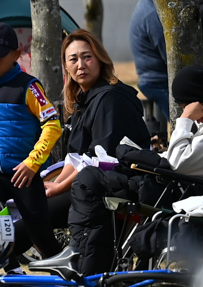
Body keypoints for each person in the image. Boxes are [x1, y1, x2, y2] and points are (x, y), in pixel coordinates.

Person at [53, 64, 203, 276]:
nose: (187, 111)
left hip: (183, 193)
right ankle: (84, 259)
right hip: (182, 187)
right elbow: (183, 160)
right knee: (93, 178)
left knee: (89, 181)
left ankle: (83, 264)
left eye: (185, 105)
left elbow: (177, 163)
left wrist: (184, 121)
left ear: (199, 100)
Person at [0, 20, 61, 259]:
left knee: (41, 236)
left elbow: (53, 125)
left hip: (23, 173)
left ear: (16, 55)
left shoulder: (29, 87)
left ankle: (67, 273)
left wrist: (33, 162)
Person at [39, 29, 149, 226]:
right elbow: (76, 157)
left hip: (109, 191)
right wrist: (55, 184)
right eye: (73, 59)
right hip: (85, 184)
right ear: (66, 66)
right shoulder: (84, 100)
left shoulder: (110, 99)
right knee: (28, 209)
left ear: (100, 60)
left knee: (32, 218)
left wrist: (60, 188)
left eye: (87, 57)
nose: (81, 65)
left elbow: (99, 159)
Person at [128, 0, 170, 133]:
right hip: (157, 81)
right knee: (190, 126)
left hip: (154, 78)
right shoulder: (152, 12)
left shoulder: (147, 5)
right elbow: (168, 52)